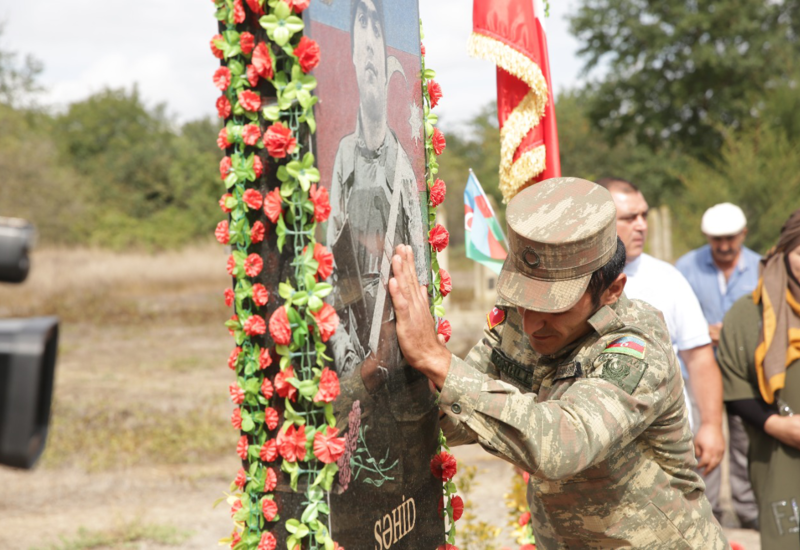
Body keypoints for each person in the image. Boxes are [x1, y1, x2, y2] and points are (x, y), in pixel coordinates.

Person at [388, 177, 728, 548]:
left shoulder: (636, 347)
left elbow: (565, 445)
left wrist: (438, 360)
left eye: (555, 305)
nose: (533, 323)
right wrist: (399, 371)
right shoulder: (518, 324)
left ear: (612, 290)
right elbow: (459, 418)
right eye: (523, 300)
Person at [597, 178, 726, 511]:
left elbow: (699, 358)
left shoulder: (668, 278)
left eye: (644, 215)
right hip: (598, 449)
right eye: (629, 218)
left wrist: (711, 425)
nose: (641, 225)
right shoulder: (579, 281)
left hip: (666, 448)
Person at [326, 0, 427, 380]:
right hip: (353, 359)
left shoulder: (402, 164)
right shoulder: (343, 157)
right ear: (352, 52)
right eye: (360, 26)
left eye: (376, 26)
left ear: (385, 54)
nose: (368, 41)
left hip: (399, 355)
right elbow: (327, 275)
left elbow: (422, 277)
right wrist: (351, 364)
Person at [717, 208, 800, 549]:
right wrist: (777, 426)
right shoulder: (748, 315)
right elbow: (735, 389)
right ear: (784, 252)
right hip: (782, 455)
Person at [676, 203, 761, 529]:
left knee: (745, 442)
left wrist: (730, 331)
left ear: (743, 234)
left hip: (745, 371)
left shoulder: (760, 267)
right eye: (716, 240)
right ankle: (706, 513)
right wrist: (706, 331)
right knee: (701, 440)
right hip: (698, 370)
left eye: (730, 238)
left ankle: (749, 509)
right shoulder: (687, 266)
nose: (724, 246)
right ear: (706, 237)